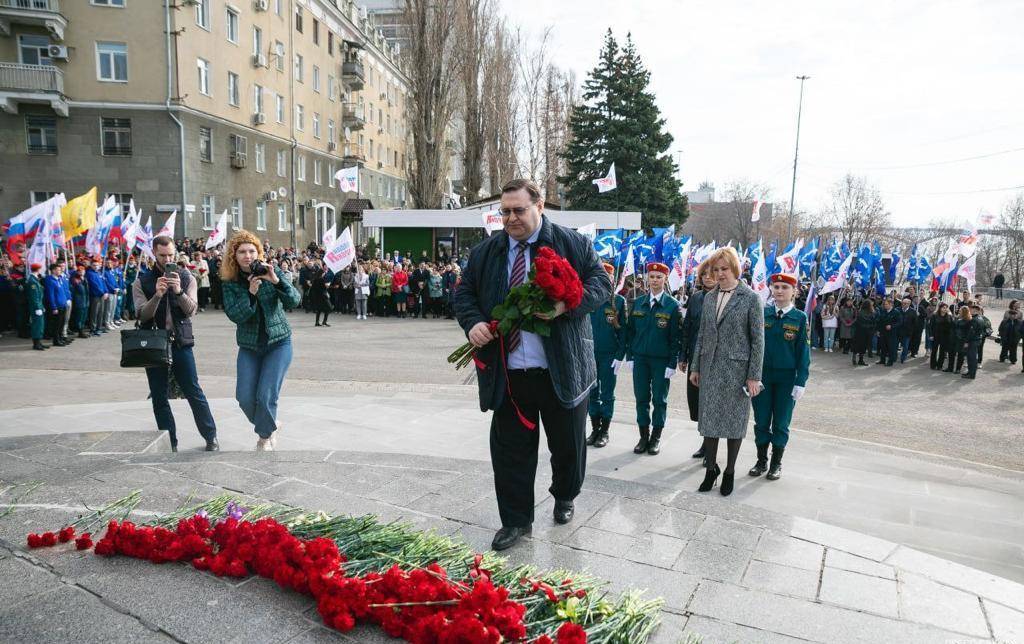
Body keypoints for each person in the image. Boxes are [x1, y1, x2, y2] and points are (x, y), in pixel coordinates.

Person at [454, 178, 609, 551]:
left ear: (540, 206)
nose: (510, 218)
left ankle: (565, 494)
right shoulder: (487, 252)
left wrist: (565, 304)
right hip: (509, 373)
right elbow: (464, 293)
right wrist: (473, 322)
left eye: (518, 210)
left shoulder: (571, 243)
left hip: (562, 370)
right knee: (509, 452)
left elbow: (602, 283)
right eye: (505, 211)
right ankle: (516, 520)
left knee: (568, 448)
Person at [689, 247, 765, 497]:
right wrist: (696, 367)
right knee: (709, 422)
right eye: (716, 270)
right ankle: (711, 469)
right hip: (710, 369)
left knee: (734, 424)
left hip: (737, 371)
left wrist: (754, 375)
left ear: (735, 269)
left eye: (724, 269)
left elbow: (758, 340)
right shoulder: (709, 297)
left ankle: (730, 471)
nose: (720, 274)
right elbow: (702, 334)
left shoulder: (750, 298)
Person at [133, 236, 219, 452]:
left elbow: (192, 310)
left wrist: (178, 291)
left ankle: (211, 437)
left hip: (181, 342)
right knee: (159, 395)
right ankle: (170, 442)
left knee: (193, 390)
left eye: (171, 254)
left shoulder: (186, 277)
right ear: (154, 254)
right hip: (153, 344)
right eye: (163, 255)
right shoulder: (141, 281)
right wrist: (157, 295)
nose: (167, 259)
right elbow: (142, 315)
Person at [220, 230, 301, 451]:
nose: (247, 255)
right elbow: (235, 315)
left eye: (252, 251)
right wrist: (250, 293)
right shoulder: (230, 282)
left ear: (259, 253)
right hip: (250, 346)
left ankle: (264, 438)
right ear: (234, 256)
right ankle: (271, 425)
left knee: (266, 396)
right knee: (245, 398)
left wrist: (276, 281)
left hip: (279, 343)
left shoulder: (270, 272)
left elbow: (294, 300)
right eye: (242, 252)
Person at [748, 273, 810, 481]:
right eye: (776, 287)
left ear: (794, 291)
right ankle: (761, 460)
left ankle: (776, 463)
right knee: (761, 421)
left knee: (781, 423)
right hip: (761, 377)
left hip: (786, 380)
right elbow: (751, 346)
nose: (780, 291)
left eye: (785, 287)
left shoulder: (800, 318)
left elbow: (803, 353)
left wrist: (800, 381)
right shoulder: (762, 313)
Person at [624, 262, 682, 456]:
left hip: (661, 361)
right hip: (640, 358)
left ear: (665, 279)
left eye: (659, 277)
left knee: (659, 399)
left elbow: (676, 338)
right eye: (652, 276)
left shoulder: (672, 306)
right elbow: (630, 332)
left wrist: (672, 362)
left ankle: (655, 437)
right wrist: (630, 355)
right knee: (641, 398)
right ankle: (643, 436)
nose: (655, 280)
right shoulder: (638, 303)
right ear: (647, 278)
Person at [586, 262, 626, 449]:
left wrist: (620, 355)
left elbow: (623, 331)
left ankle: (605, 431)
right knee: (592, 392)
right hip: (590, 354)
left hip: (609, 354)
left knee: (607, 394)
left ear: (612, 280)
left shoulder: (618, 302)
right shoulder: (589, 298)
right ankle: (595, 429)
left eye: (608, 277)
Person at [681, 261, 716, 459]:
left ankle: (709, 447)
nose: (707, 277)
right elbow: (687, 328)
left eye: (711, 273)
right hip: (695, 358)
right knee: (697, 404)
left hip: (712, 359)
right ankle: (704, 441)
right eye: (704, 274)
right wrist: (683, 356)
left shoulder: (722, 298)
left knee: (710, 404)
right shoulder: (695, 299)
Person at [26, 263, 48, 351]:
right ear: (38, 270)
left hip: (39, 305)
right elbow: (34, 297)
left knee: (40, 324)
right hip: (35, 307)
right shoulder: (32, 281)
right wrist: (38, 307)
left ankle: (39, 342)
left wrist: (41, 306)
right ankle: (36, 344)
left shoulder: (35, 279)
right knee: (37, 325)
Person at [85, 258, 108, 336]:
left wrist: (106, 291)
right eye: (94, 265)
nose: (95, 266)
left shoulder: (99, 273)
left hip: (102, 295)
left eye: (97, 265)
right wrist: (102, 293)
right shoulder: (89, 273)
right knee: (94, 313)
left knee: (101, 312)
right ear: (91, 265)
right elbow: (94, 285)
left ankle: (99, 327)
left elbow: (103, 283)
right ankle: (93, 329)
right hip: (95, 296)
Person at [875, 298, 900, 367]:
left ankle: (890, 361)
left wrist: (891, 326)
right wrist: (878, 330)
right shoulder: (883, 311)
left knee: (890, 348)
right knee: (883, 347)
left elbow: (899, 322)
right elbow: (880, 321)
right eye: (884, 304)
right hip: (883, 332)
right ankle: (882, 360)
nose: (885, 305)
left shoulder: (896, 312)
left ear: (891, 304)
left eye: (886, 304)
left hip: (892, 333)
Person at [930, 303, 955, 370]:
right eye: (943, 307)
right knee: (934, 351)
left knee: (942, 351)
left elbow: (952, 326)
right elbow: (931, 326)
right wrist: (931, 335)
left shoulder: (949, 316)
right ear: (940, 308)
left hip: (945, 336)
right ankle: (933, 365)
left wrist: (952, 316)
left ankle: (939, 365)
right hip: (935, 335)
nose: (945, 309)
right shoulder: (934, 315)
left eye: (946, 308)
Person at [70, 264, 91, 338]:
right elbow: (77, 290)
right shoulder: (75, 279)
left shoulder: (84, 279)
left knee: (84, 316)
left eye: (83, 271)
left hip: (85, 300)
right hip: (79, 301)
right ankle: (80, 331)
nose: (81, 272)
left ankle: (82, 329)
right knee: (79, 317)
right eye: (80, 271)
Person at [998, 300, 1021, 365]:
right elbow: (1000, 329)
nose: (1013, 316)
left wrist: (1019, 337)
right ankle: (1002, 358)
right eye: (1011, 315)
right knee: (1004, 348)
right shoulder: (1005, 322)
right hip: (1006, 337)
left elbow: (1021, 331)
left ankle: (1013, 360)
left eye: (1014, 315)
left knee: (1013, 350)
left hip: (1015, 338)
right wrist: (1001, 336)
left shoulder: (1020, 323)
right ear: (1009, 315)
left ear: (1016, 315)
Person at [897, 298, 918, 363]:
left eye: (905, 303)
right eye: (903, 303)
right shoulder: (897, 310)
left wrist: (912, 331)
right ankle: (894, 357)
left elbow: (915, 323)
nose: (903, 304)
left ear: (909, 304)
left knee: (905, 346)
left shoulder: (913, 311)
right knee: (895, 345)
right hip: (897, 331)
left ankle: (903, 358)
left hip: (907, 332)